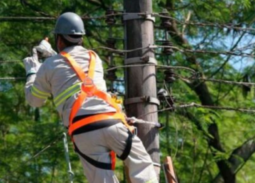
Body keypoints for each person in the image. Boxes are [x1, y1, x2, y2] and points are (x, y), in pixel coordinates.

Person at [23, 12, 158, 183]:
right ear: (81, 38)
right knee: (143, 167)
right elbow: (70, 65)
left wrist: (32, 71)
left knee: (102, 179)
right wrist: (52, 56)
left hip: (84, 133)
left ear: (59, 39)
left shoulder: (49, 66)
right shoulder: (94, 58)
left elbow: (35, 100)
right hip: (111, 122)